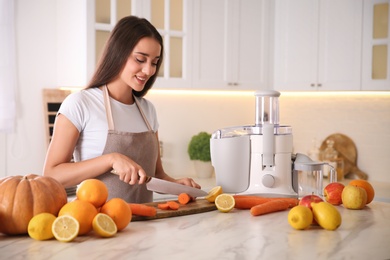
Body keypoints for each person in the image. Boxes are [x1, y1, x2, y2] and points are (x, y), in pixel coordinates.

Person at [43, 16, 201, 203]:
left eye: (154, 62)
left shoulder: (148, 110)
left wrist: (176, 184)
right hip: (99, 225)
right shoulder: (80, 103)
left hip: (145, 225)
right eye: (140, 59)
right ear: (118, 53)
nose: (149, 70)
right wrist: (110, 159)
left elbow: (156, 175)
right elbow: (51, 175)